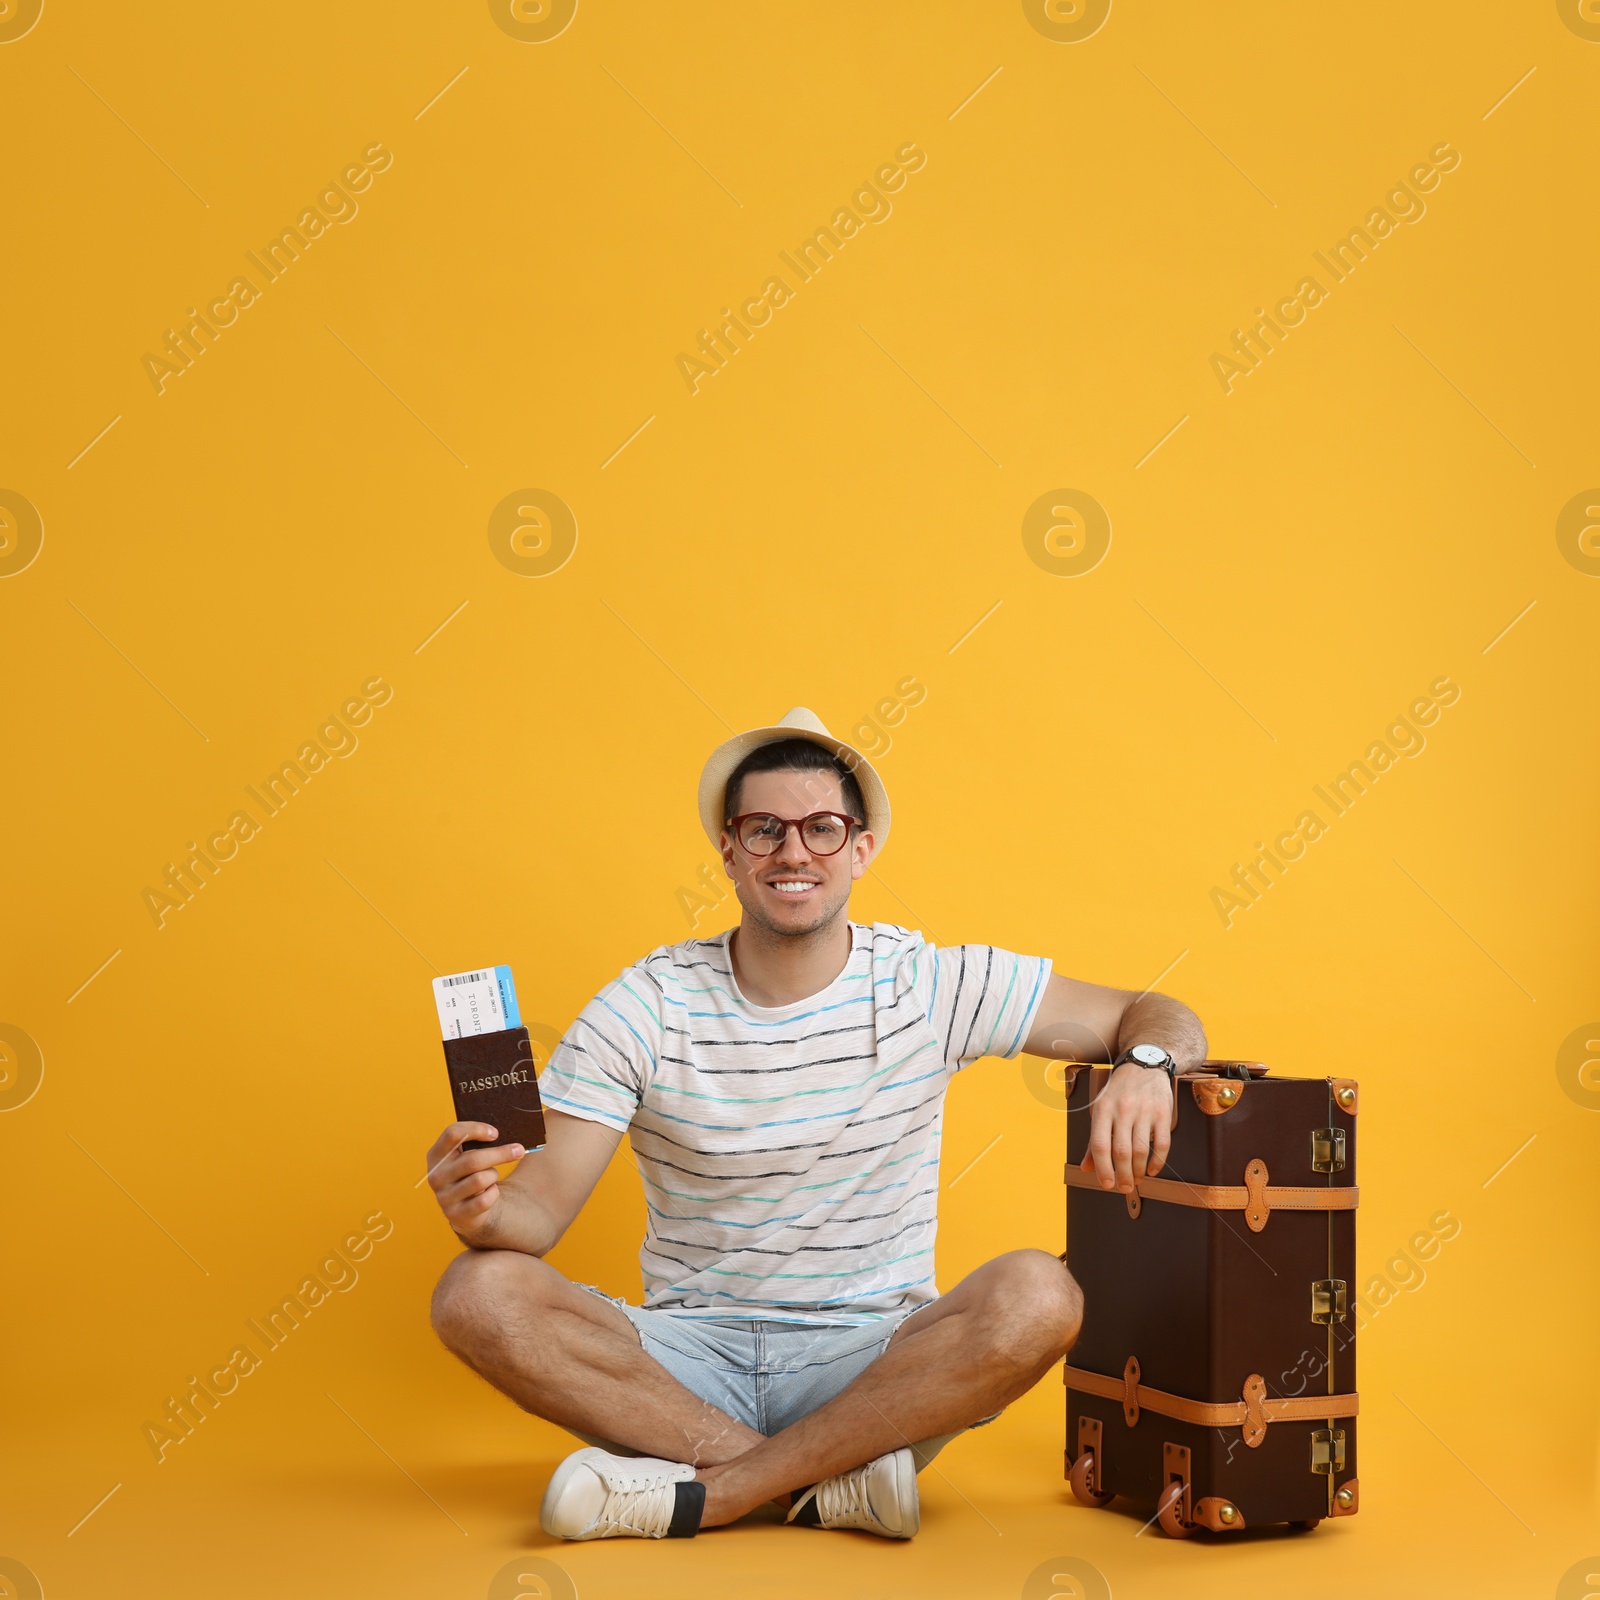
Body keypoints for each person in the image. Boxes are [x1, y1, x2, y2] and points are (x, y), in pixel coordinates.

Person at [425, 708, 1206, 1542]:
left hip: (874, 1367)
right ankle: (817, 1486)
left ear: (860, 848)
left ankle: (718, 1494)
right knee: (476, 1292)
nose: (793, 853)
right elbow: (534, 1217)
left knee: (1041, 1295)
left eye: (821, 829)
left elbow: (1156, 1011)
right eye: (764, 830)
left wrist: (1149, 1066)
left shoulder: (930, 984)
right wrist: (484, 1212)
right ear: (729, 850)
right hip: (682, 1368)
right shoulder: (647, 1003)